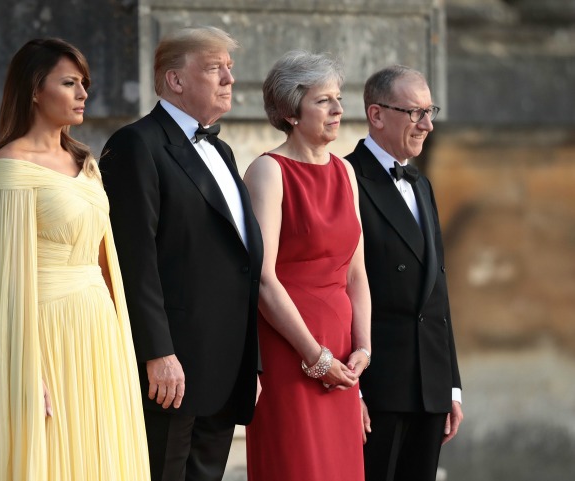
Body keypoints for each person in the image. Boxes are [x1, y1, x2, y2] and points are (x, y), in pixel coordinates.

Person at [0, 38, 150, 481]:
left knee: (104, 451)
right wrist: (24, 373)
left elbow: (107, 262)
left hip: (100, 328)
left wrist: (126, 343)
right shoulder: (12, 166)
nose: (83, 93)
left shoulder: (86, 162)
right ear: (34, 89)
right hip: (46, 330)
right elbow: (7, 282)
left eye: (84, 83)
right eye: (69, 83)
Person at [99, 26, 264, 481]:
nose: (230, 79)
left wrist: (250, 360)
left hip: (224, 367)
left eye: (230, 69)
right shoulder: (137, 144)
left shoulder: (224, 150)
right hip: (170, 369)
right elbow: (133, 259)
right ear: (175, 80)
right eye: (215, 69)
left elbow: (239, 257)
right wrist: (158, 352)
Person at [243, 50, 372, 481]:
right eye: (324, 100)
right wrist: (314, 356)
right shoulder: (268, 171)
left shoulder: (345, 172)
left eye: (338, 98)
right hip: (290, 349)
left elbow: (356, 274)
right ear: (290, 111)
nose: (338, 110)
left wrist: (362, 351)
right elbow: (263, 279)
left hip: (342, 356)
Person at [345, 65, 463, 481]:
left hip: (429, 386)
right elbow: (339, 287)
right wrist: (351, 390)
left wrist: (450, 385)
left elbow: (437, 289)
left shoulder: (421, 184)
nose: (428, 124)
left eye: (429, 111)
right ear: (376, 115)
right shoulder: (345, 178)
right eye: (415, 113)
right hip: (379, 386)